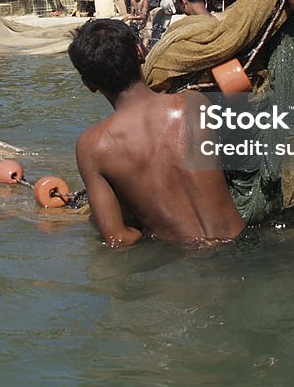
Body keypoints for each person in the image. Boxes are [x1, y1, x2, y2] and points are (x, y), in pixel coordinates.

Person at [70, 19, 245, 247]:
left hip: (182, 265)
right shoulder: (195, 104)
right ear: (140, 51)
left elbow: (118, 239)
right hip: (242, 244)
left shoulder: (92, 147)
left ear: (89, 84)